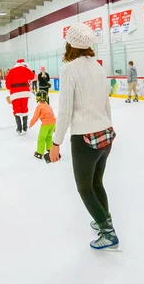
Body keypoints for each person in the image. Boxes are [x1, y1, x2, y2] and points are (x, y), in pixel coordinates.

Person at [48, 22, 118, 250]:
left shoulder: (69, 68)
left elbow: (65, 110)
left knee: (84, 188)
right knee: (96, 182)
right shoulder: (97, 66)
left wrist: (55, 142)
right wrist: (108, 127)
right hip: (106, 134)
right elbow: (106, 102)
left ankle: (108, 233)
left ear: (70, 44)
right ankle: (103, 220)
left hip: (85, 138)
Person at [5, 59, 36, 135]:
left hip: (15, 93)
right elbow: (32, 76)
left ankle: (19, 128)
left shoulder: (11, 71)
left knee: (16, 110)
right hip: (25, 92)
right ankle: (25, 127)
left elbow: (7, 84)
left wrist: (11, 88)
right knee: (24, 108)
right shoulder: (25, 69)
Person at [29, 90, 56, 159]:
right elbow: (52, 115)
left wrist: (31, 124)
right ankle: (50, 149)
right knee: (49, 137)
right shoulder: (48, 106)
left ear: (37, 98)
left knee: (41, 138)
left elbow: (35, 117)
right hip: (52, 123)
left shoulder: (39, 107)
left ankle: (39, 152)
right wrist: (55, 126)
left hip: (46, 124)